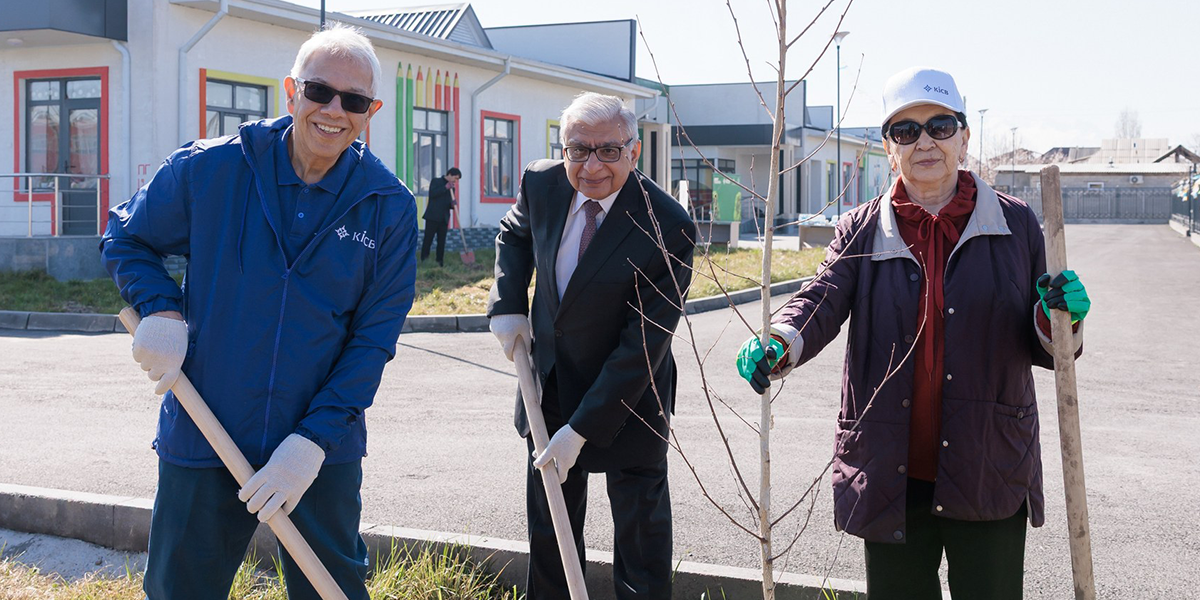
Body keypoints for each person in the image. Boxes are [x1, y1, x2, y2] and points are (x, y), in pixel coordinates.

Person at [736, 67, 1091, 600]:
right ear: (888, 148)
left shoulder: (1017, 225)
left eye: (941, 126)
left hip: (987, 463)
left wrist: (1059, 314)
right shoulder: (861, 228)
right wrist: (782, 336)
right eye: (906, 131)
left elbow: (1048, 344)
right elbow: (822, 299)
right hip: (890, 472)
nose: (925, 141)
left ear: (964, 139)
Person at [100, 24, 417, 600]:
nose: (334, 111)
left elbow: (373, 341)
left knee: (331, 591)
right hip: (206, 431)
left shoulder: (388, 207)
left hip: (318, 449)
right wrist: (160, 310)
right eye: (320, 91)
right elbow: (125, 236)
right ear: (292, 90)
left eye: (354, 101)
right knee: (179, 591)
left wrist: (312, 444)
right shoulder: (211, 170)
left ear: (370, 111)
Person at [487, 92, 696, 600]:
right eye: (578, 150)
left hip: (630, 399)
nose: (591, 166)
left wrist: (582, 431)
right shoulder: (542, 182)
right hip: (552, 386)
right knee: (551, 530)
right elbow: (514, 234)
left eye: (608, 151)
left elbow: (642, 345)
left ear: (634, 151)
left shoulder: (668, 226)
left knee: (641, 538)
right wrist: (507, 300)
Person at [420, 166, 462, 266]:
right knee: (428, 239)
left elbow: (448, 203)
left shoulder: (452, 188)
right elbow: (433, 194)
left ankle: (440, 262)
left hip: (444, 218)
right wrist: (445, 187)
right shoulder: (436, 181)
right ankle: (424, 259)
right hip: (432, 217)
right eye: (455, 178)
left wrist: (452, 205)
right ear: (450, 174)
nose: (456, 181)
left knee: (441, 241)